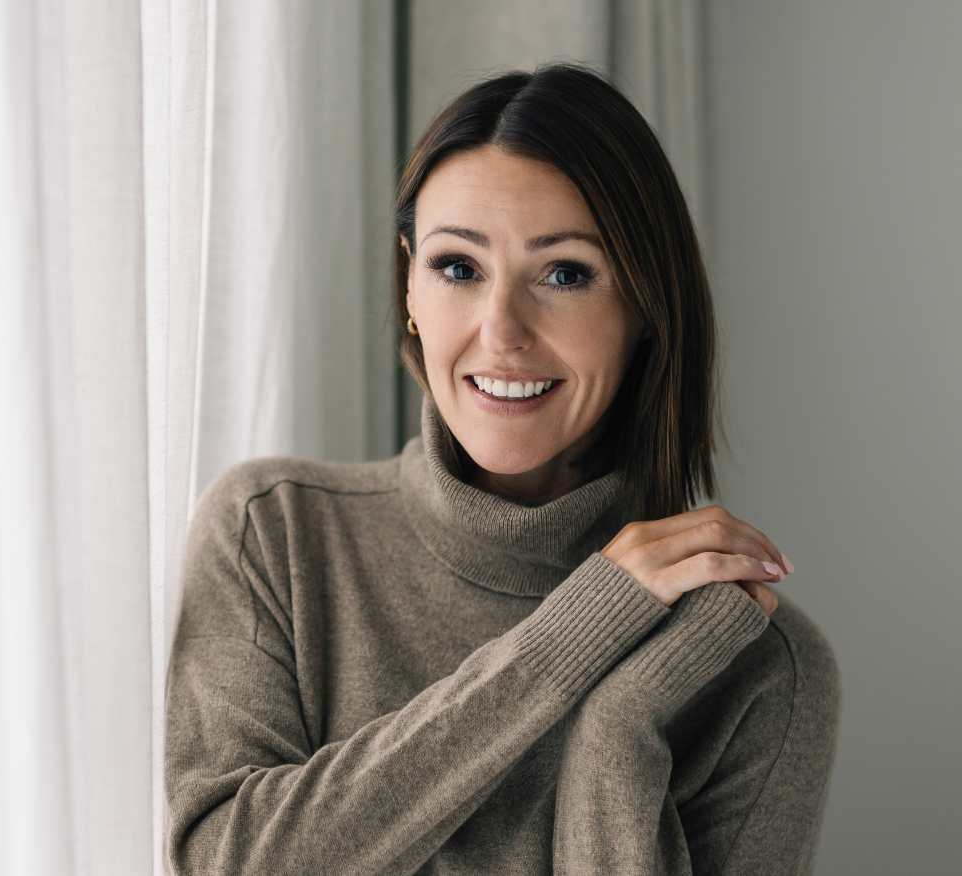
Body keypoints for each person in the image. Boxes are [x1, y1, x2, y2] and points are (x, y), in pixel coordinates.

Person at [164, 65, 840, 875]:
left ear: (646, 307)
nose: (501, 331)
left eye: (564, 274)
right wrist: (572, 638)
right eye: (458, 268)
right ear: (410, 284)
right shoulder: (272, 533)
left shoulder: (754, 661)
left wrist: (617, 733)